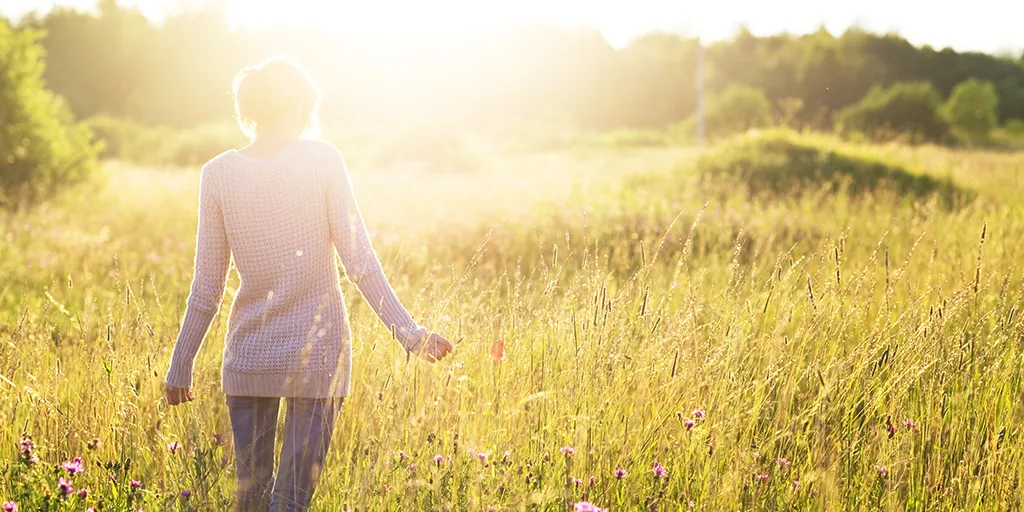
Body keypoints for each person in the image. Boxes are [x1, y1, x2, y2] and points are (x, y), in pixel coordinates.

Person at [163, 56, 453, 511]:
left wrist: (181, 363)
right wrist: (409, 333)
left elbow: (207, 288)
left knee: (253, 502)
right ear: (298, 103)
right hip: (318, 359)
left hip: (249, 357)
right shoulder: (322, 159)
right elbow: (360, 261)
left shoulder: (217, 173)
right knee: (291, 501)